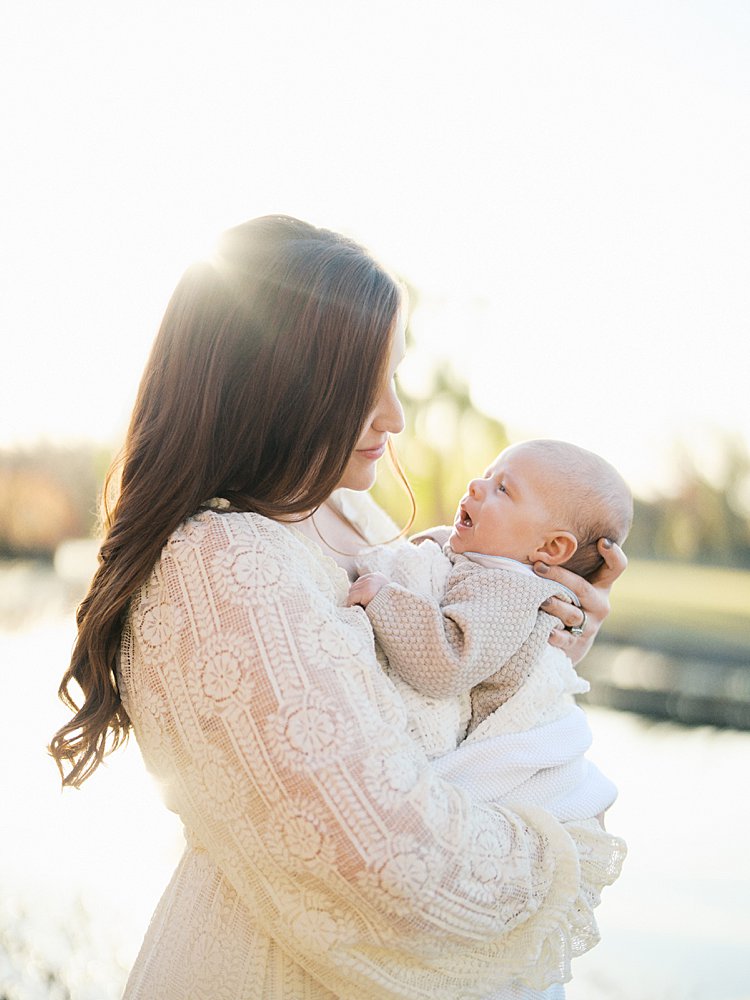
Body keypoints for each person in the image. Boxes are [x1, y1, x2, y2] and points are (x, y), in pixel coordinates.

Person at [49, 215, 628, 1000]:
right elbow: (392, 862)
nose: (394, 416)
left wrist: (534, 654)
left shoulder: (364, 523)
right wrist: (566, 843)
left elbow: (450, 702)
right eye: (367, 384)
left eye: (396, 377)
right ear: (276, 381)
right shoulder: (221, 561)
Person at [346, 438, 632, 737]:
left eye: (503, 488)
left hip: (508, 751)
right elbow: (447, 553)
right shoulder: (493, 564)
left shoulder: (510, 590)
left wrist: (384, 599)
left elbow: (450, 663)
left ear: (551, 546)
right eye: (486, 476)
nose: (474, 485)